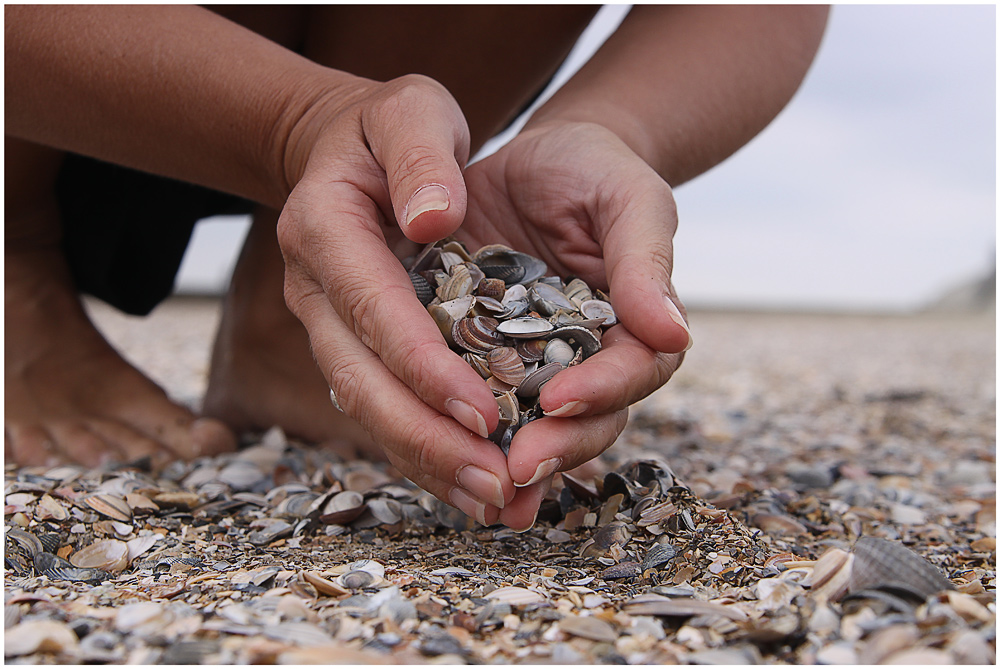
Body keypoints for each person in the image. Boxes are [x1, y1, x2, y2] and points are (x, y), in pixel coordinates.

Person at [5, 5, 829, 531]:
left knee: (375, 206)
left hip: (372, 89)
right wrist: (305, 120)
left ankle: (288, 315)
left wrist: (608, 127)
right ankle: (14, 257)